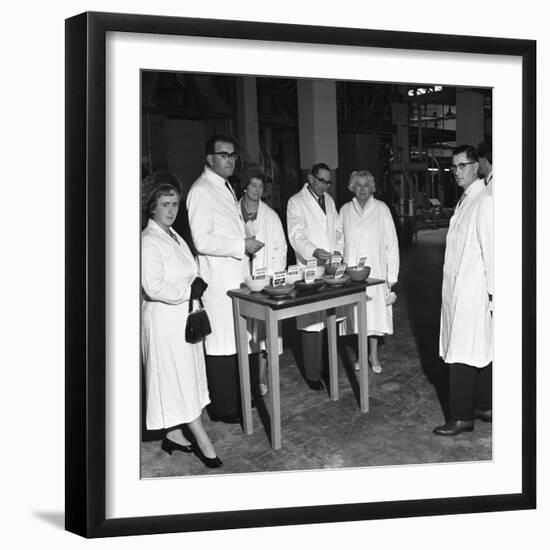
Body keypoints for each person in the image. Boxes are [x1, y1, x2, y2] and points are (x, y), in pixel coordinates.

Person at [141, 172, 222, 468]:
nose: (172, 210)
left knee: (184, 376)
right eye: (165, 204)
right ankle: (202, 440)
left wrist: (195, 280)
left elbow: (186, 269)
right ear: (152, 207)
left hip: (182, 318)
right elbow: (153, 286)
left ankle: (174, 433)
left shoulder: (174, 235)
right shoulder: (148, 241)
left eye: (175, 204)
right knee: (176, 378)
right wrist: (189, 289)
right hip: (163, 321)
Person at [187, 135, 264, 423]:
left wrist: (244, 241)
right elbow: (202, 240)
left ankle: (241, 399)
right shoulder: (201, 190)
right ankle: (223, 408)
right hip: (219, 283)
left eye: (232, 155)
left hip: (235, 277)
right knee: (221, 344)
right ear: (209, 158)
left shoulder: (225, 187)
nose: (230, 160)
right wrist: (240, 246)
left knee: (238, 341)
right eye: (223, 155)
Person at [434, 145, 493, 436]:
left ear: (476, 167)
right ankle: (483, 405)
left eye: (462, 166)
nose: (456, 172)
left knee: (462, 351)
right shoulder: (467, 199)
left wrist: (495, 295)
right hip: (460, 288)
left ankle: (460, 417)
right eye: (453, 167)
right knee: (477, 349)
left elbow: (492, 252)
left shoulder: (485, 201)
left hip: (473, 291)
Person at [287, 162, 344, 390]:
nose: (325, 185)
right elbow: (296, 234)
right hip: (309, 267)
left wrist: (338, 250)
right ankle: (312, 374)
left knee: (330, 319)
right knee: (312, 324)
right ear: (311, 178)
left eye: (328, 182)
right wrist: (313, 251)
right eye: (321, 180)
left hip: (330, 268)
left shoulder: (329, 201)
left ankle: (329, 370)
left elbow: (338, 230)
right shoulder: (296, 202)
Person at [339, 170, 399, 373]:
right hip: (352, 272)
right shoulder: (345, 210)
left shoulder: (381, 209)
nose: (362, 189)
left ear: (372, 187)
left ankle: (373, 355)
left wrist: (392, 277)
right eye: (358, 185)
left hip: (377, 271)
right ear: (352, 187)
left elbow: (392, 243)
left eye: (366, 185)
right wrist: (338, 268)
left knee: (374, 314)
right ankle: (360, 354)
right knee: (357, 313)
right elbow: (339, 241)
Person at [239, 164, 288, 396]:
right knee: (242, 333)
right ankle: (244, 379)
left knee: (263, 334)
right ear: (245, 186)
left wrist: (273, 276)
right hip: (239, 281)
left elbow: (281, 248)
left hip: (265, 282)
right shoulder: (232, 211)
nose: (257, 190)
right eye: (253, 185)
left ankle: (260, 378)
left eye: (260, 186)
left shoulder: (271, 216)